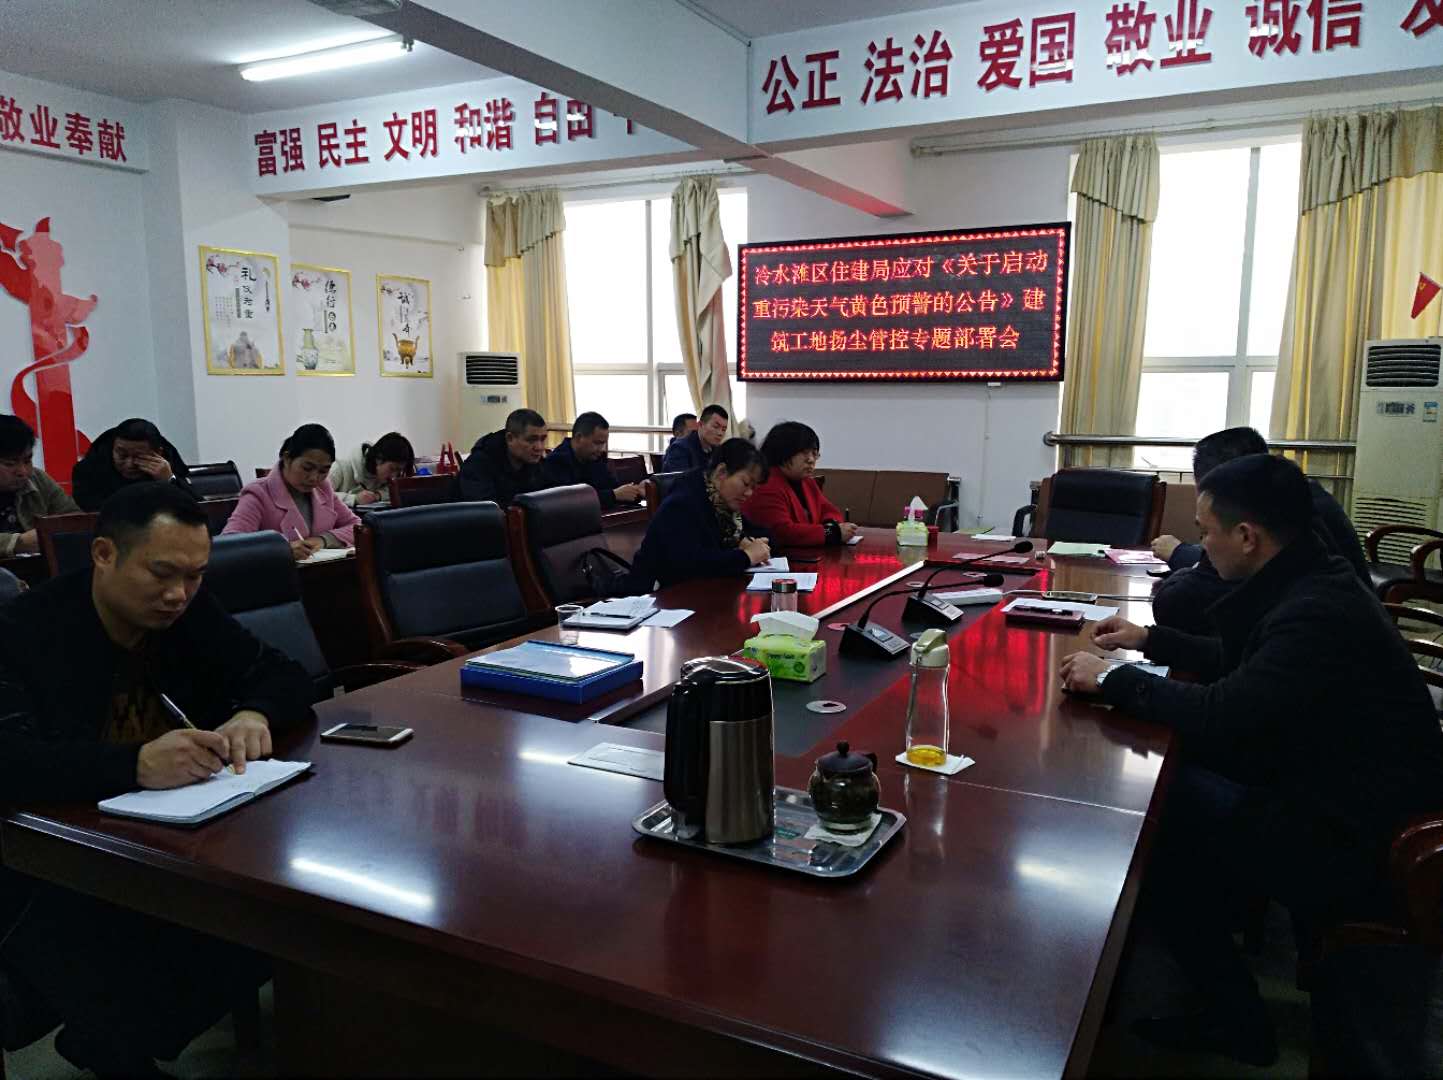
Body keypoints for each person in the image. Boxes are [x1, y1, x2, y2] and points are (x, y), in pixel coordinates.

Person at [1059, 454, 1443, 1067]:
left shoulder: (1315, 609)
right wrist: (1150, 640)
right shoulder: (1310, 575)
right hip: (1335, 789)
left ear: (1246, 536)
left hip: (1355, 835)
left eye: (1205, 532)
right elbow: (1250, 666)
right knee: (1174, 791)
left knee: (1157, 823)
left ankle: (1232, 1018)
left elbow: (1222, 711)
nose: (1200, 546)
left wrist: (1112, 680)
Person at [0, 481, 312, 1074]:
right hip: (55, 843)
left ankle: (113, 1035)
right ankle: (111, 1039)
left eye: (195, 576)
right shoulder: (25, 631)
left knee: (282, 910)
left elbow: (284, 673)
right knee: (214, 917)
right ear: (104, 554)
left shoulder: (185, 614)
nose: (178, 594)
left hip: (176, 829)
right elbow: (10, 760)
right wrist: (133, 764)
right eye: (163, 573)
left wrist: (254, 712)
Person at [1150, 427, 1369, 634]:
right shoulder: (1300, 497)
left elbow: (1176, 605)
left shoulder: (1268, 519)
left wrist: (1181, 556)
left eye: (1205, 532)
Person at [630, 438, 771, 589]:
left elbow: (761, 533)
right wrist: (746, 556)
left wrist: (753, 542)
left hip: (701, 591)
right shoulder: (684, 501)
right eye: (745, 483)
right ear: (721, 472)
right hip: (656, 593)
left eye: (753, 488)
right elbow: (689, 564)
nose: (749, 493)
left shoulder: (723, 505)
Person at [223, 423, 358, 561]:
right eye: (307, 468)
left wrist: (323, 540)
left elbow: (357, 527)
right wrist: (281, 549)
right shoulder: (258, 493)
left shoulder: (323, 488)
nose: (314, 478)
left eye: (323, 471)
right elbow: (231, 544)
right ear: (287, 459)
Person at [748, 421, 859, 547]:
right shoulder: (766, 484)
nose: (811, 460)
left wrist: (830, 526)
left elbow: (828, 510)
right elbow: (783, 532)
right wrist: (831, 533)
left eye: (814, 453)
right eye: (804, 453)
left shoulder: (807, 482)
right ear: (783, 452)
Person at [71, 417, 194, 511]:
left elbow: (196, 509)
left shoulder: (168, 464)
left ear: (158, 453)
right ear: (112, 449)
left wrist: (169, 480)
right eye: (122, 455)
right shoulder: (91, 469)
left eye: (139, 457)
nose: (129, 464)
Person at [0, 414, 79, 557]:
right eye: (10, 464)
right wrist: (17, 543)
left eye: (27, 461)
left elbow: (74, 520)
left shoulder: (38, 479)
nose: (23, 471)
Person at [542, 412, 642, 509]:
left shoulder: (594, 457)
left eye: (603, 443)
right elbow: (570, 501)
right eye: (597, 443)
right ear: (579, 438)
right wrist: (613, 495)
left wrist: (637, 491)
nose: (602, 449)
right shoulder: (557, 461)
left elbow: (613, 487)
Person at [456, 408, 550, 507]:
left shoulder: (535, 462)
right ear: (510, 438)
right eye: (531, 440)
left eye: (543, 439)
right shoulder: (478, 465)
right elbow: (486, 511)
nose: (539, 447)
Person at [328, 431, 415, 508]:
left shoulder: (382, 476)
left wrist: (378, 495)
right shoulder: (340, 467)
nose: (394, 476)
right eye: (392, 469)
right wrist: (354, 499)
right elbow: (321, 495)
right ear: (379, 459)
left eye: (399, 471)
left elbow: (398, 492)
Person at [660, 403, 727, 473]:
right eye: (715, 427)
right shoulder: (680, 448)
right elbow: (683, 479)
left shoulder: (717, 449)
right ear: (701, 425)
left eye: (724, 429)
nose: (720, 433)